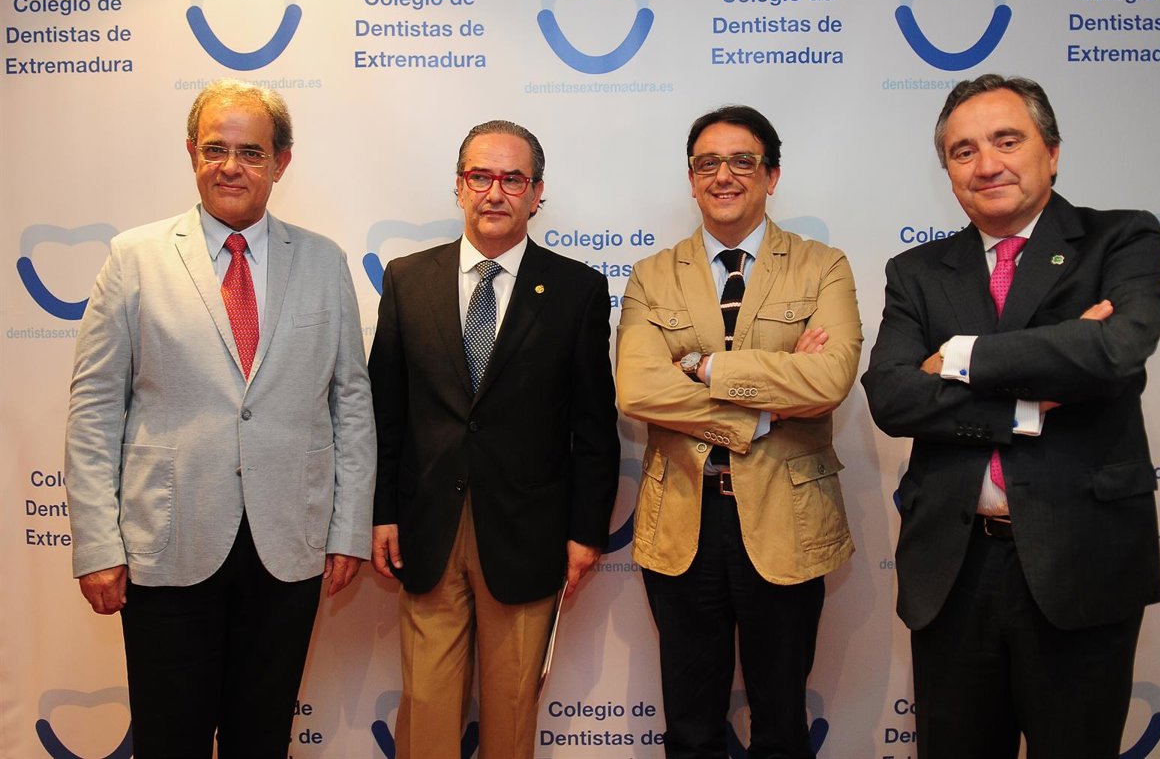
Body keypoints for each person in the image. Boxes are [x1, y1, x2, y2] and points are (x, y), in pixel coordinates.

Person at [64, 79, 376, 757]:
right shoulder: (134, 258)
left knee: (260, 740)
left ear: (281, 162)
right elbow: (94, 410)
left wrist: (349, 528)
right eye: (215, 149)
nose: (231, 166)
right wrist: (97, 545)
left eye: (251, 152)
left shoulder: (324, 262)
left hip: (287, 547)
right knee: (169, 741)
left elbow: (350, 402)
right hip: (166, 545)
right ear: (191, 153)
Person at [861, 74, 1160, 759]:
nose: (986, 164)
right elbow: (892, 397)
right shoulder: (916, 271)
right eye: (963, 151)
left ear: (1051, 152)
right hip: (953, 570)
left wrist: (959, 355)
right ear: (948, 172)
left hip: (1080, 564)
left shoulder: (1119, 239)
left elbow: (1113, 350)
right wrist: (1031, 396)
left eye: (1007, 141)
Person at [615, 105, 862, 758]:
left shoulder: (823, 266)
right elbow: (637, 389)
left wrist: (702, 366)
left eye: (741, 161)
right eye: (707, 164)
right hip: (683, 523)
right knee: (691, 727)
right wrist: (763, 410)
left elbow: (828, 381)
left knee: (781, 724)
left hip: (788, 520)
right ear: (691, 179)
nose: (723, 175)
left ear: (771, 175)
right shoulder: (652, 274)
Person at [368, 119, 620, 759]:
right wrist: (381, 513)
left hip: (529, 533)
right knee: (426, 710)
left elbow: (594, 425)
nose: (495, 192)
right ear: (459, 186)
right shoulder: (407, 279)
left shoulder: (577, 290)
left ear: (536, 194)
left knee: (511, 713)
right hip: (427, 528)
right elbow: (384, 413)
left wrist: (587, 532)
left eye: (513, 179)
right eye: (480, 176)